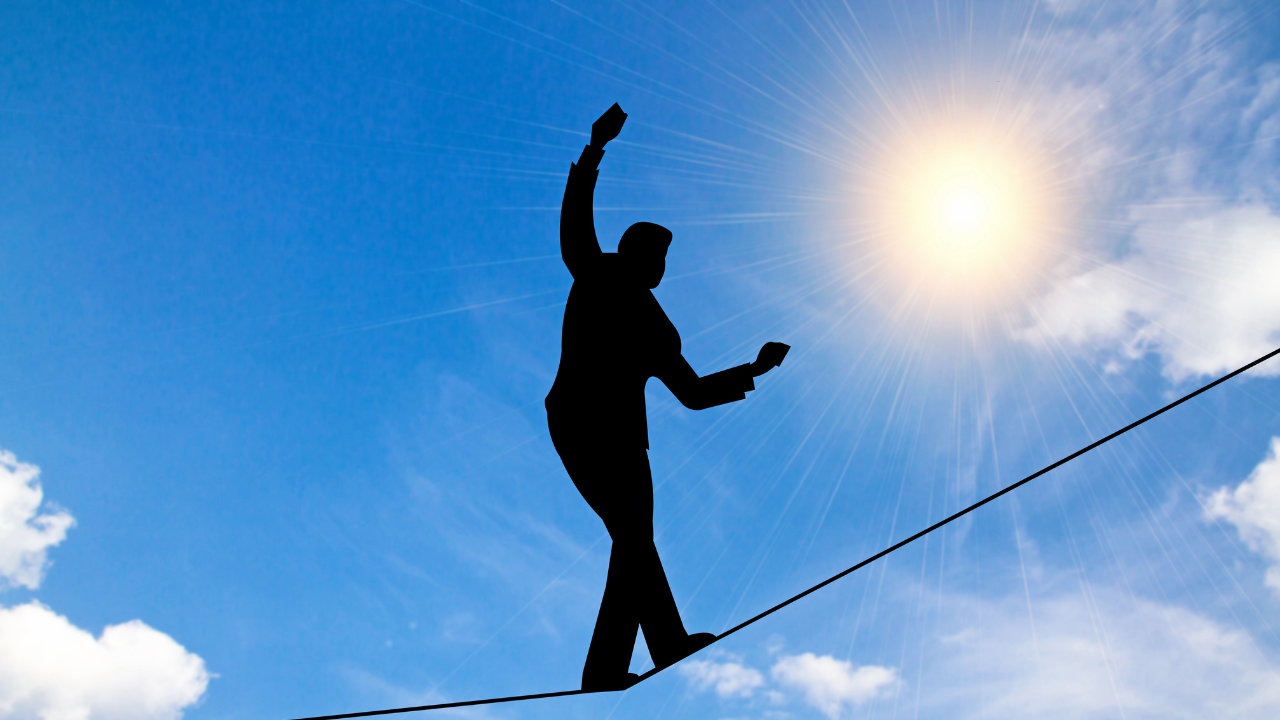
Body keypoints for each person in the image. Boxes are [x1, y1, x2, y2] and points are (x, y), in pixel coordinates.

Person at [546, 103, 790, 691]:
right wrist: (595, 149)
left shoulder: (660, 329)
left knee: (636, 541)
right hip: (581, 425)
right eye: (652, 254)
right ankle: (607, 667)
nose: (659, 266)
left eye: (662, 258)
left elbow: (692, 393)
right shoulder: (596, 274)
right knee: (633, 539)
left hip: (629, 443)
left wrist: (751, 369)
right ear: (631, 254)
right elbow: (576, 225)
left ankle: (665, 642)